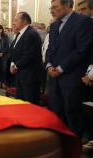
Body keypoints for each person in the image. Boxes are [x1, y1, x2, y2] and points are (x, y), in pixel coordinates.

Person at [46, 0, 92, 135]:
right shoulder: (54, 26)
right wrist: (48, 65)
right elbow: (50, 49)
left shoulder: (83, 22)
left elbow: (82, 50)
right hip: (54, 78)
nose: (52, 10)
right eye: (51, 7)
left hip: (71, 78)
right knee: (56, 113)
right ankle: (58, 145)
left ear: (67, 5)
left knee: (72, 115)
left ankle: (73, 148)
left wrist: (60, 68)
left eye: (55, 7)